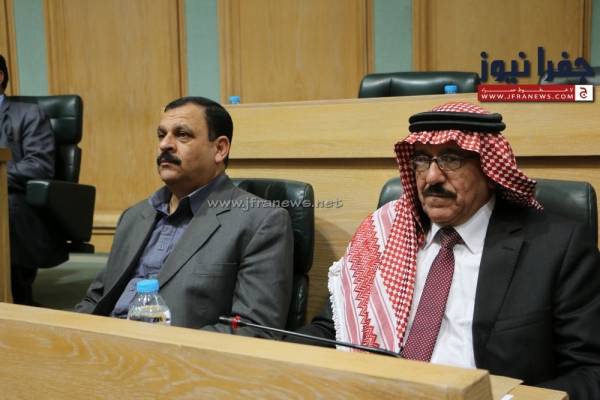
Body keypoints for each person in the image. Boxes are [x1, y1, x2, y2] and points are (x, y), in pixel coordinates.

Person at [293, 102, 600, 399]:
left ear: (489, 169)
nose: (432, 177)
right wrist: (278, 357)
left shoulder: (557, 247)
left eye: (451, 159)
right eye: (421, 160)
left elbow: (590, 371)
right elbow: (332, 330)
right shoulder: (383, 233)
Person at [75, 96, 294, 337]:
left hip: (177, 354)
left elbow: (253, 329)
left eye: (182, 135)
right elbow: (95, 300)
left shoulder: (260, 221)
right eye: (161, 135)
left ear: (220, 149)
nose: (165, 145)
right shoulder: (134, 216)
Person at [0, 54, 68, 304]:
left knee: (6, 205)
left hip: (16, 200)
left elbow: (38, 166)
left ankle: (16, 295)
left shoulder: (28, 114)